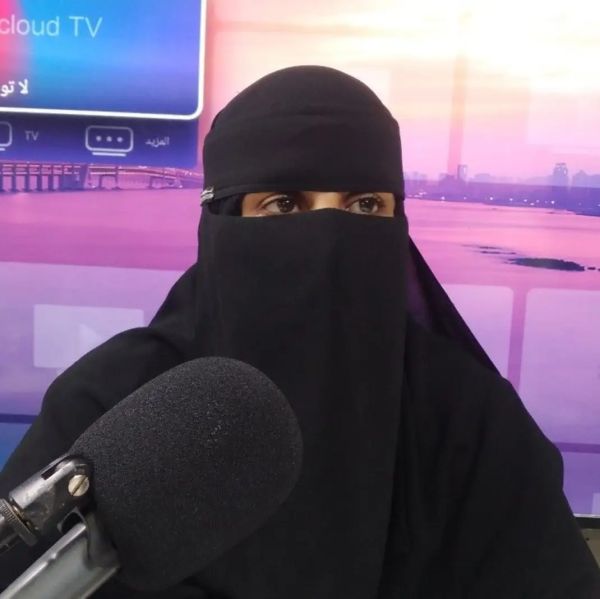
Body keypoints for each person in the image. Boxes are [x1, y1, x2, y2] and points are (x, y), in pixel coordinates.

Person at [1, 66, 598, 598]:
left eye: (365, 206)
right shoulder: (112, 405)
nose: (330, 240)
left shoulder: (471, 423)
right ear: (222, 219)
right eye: (284, 204)